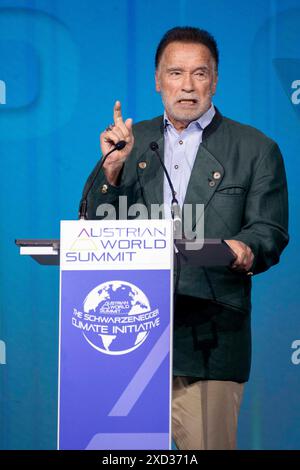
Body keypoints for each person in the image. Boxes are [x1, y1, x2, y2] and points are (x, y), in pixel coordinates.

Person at [82, 27, 289, 450]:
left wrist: (246, 247)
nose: (188, 86)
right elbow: (92, 228)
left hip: (208, 338)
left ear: (215, 80)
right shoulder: (129, 143)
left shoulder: (255, 148)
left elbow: (269, 230)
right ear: (158, 80)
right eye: (176, 73)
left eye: (200, 73)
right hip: (127, 337)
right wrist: (112, 172)